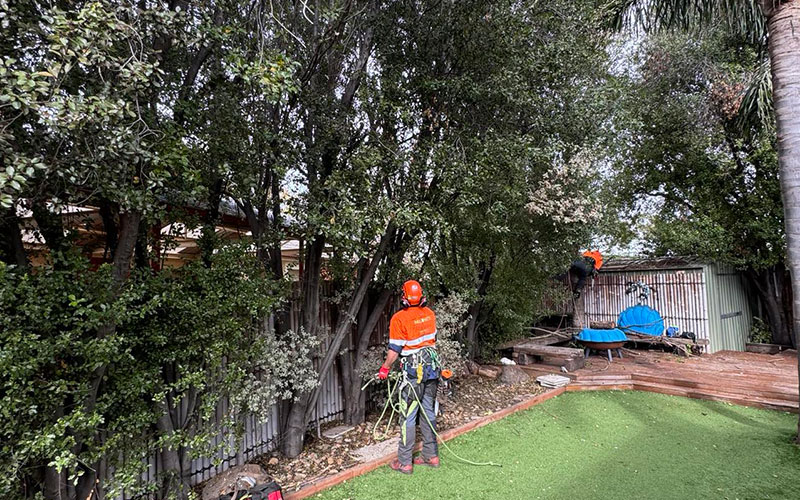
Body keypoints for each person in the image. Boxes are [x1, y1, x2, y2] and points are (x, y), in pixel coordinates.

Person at [378, 279, 441, 474]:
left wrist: (385, 368)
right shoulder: (430, 314)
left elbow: (395, 350)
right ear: (421, 296)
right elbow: (432, 341)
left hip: (413, 375)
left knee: (408, 416)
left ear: (404, 297)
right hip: (431, 370)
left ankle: (405, 462)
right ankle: (431, 456)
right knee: (428, 411)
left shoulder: (399, 318)